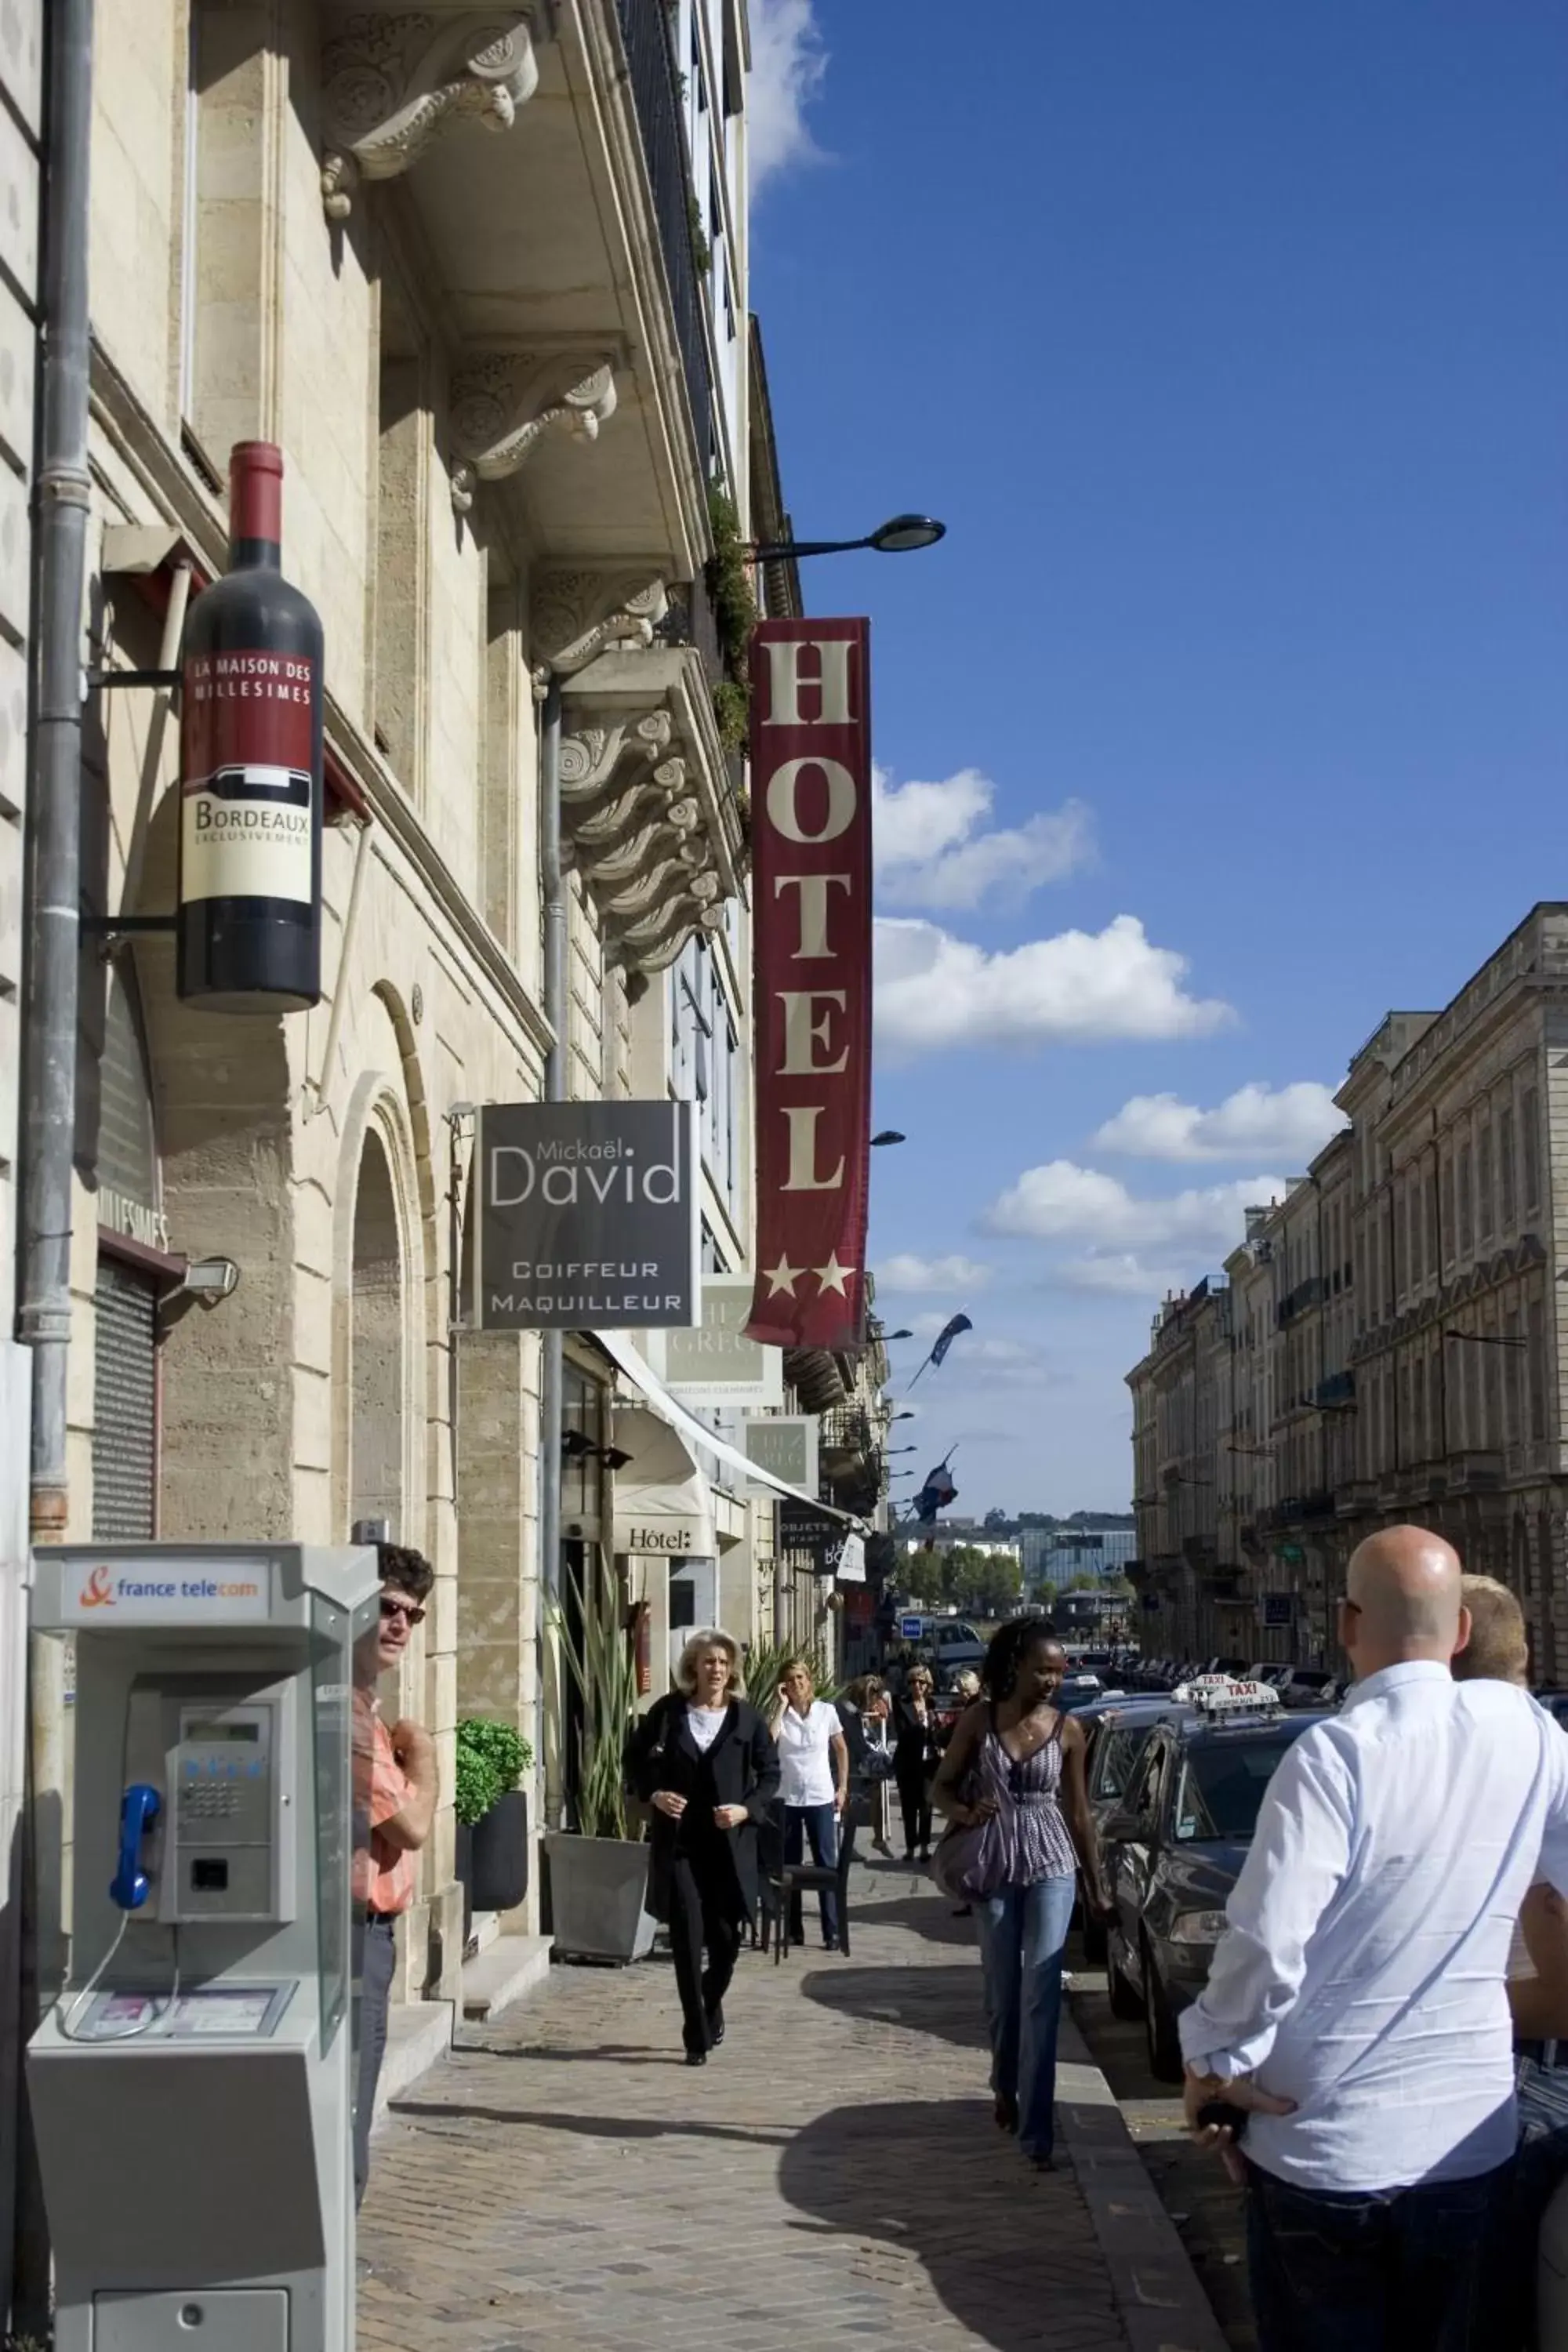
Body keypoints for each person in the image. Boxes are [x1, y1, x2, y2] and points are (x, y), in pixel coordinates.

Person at [1181, 1526, 1568, 2352]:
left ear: (1345, 1624)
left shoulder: (1334, 1755)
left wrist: (1213, 2060)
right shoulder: (1532, 1739)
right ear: (1459, 1632)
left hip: (1326, 2147)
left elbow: (1264, 1942)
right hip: (1466, 2143)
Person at [932, 1618, 1109, 2171]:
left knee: (1042, 1994)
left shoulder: (1069, 1730)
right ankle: (1004, 2082)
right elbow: (937, 1785)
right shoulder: (977, 1722)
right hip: (994, 1864)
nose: (1053, 1680)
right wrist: (963, 1811)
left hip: (1052, 1860)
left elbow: (1078, 1813)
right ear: (1016, 1667)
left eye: (1059, 1671)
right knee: (1003, 1994)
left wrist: (1095, 1886)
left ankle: (1038, 2132)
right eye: (1043, 1670)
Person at [1454, 1574, 1568, 2350]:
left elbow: (1556, 1994)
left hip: (1536, 2077)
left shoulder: (1513, 1767)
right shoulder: (1535, 1748)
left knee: (1478, 2303)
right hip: (1528, 2065)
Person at [629, 1630, 779, 2063]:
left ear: (732, 1670)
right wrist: (655, 1794)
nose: (715, 1669)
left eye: (722, 1662)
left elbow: (770, 1775)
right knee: (688, 1940)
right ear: (693, 1666)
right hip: (681, 1847)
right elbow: (636, 1760)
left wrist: (746, 1810)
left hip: (730, 1848)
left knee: (727, 1943)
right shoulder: (668, 1713)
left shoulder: (746, 1719)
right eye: (708, 1661)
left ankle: (709, 2004)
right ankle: (696, 2035)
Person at [351, 1541, 438, 2209]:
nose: (401, 1624)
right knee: (350, 2106)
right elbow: (411, 1827)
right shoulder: (351, 1719)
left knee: (358, 2098)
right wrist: (428, 1760)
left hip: (373, 1933)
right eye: (386, 1608)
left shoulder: (368, 1714)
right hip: (352, 1937)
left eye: (414, 1614)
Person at [771, 1658, 850, 1950]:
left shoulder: (826, 1712)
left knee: (825, 1864)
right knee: (790, 1867)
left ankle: (832, 1930)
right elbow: (769, 1743)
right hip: (788, 1797)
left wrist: (842, 1788)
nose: (796, 1684)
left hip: (819, 1795)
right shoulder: (781, 1715)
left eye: (801, 1678)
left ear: (809, 1680)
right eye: (790, 1680)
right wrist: (781, 1707)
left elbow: (841, 1749)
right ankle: (794, 1930)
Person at [892, 1664, 942, 1860]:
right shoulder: (901, 1703)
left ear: (927, 1684)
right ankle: (910, 1847)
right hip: (908, 1763)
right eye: (912, 1682)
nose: (916, 1686)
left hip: (928, 1763)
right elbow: (902, 1732)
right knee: (909, 1806)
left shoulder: (932, 1704)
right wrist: (920, 1724)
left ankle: (924, 1848)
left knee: (926, 1806)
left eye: (920, 1682)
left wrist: (934, 1727)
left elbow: (938, 1734)